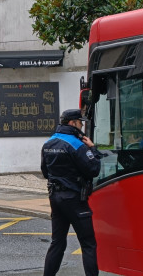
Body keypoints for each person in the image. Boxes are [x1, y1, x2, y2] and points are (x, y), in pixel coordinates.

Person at [41, 109, 102, 276]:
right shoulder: (77, 144)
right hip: (75, 199)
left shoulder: (48, 143)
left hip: (55, 198)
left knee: (57, 242)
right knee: (88, 244)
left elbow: (45, 172)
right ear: (72, 123)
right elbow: (94, 169)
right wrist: (93, 149)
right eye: (80, 122)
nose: (82, 125)